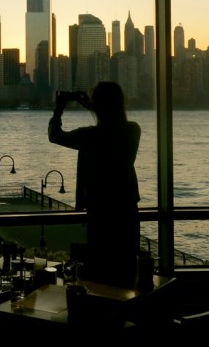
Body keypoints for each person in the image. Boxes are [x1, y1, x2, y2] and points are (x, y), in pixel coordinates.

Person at [48, 81, 141, 287]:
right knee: (125, 267)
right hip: (126, 209)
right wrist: (91, 104)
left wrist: (59, 108)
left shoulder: (88, 136)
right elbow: (110, 124)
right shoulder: (133, 131)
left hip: (99, 210)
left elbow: (54, 136)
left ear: (97, 106)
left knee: (101, 270)